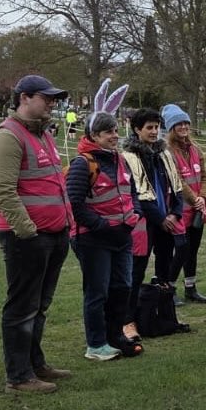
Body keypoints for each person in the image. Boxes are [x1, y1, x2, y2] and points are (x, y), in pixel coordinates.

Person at [0, 74, 74, 394]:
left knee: (40, 305)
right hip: (28, 238)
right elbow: (3, 191)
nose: (52, 103)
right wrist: (28, 232)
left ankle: (35, 363)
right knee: (22, 307)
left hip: (55, 234)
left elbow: (54, 184)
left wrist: (66, 224)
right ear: (24, 98)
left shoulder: (44, 134)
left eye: (54, 99)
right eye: (46, 98)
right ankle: (19, 376)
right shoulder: (7, 136)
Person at [67, 91, 143, 362]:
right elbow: (75, 203)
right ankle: (96, 344)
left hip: (122, 236)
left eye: (115, 130)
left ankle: (115, 336)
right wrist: (101, 225)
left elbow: (132, 191)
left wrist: (135, 212)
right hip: (94, 239)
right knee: (97, 291)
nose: (114, 136)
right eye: (108, 132)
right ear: (94, 135)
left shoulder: (120, 160)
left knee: (122, 287)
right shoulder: (82, 164)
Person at [121, 109, 187, 321]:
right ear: (137, 129)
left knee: (165, 267)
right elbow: (138, 194)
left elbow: (177, 186)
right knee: (137, 270)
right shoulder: (128, 157)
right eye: (149, 127)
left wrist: (175, 213)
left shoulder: (164, 153)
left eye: (157, 127)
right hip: (145, 221)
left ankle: (163, 316)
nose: (154, 131)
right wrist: (160, 219)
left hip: (168, 218)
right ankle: (129, 318)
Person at [162, 103, 206, 304]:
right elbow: (177, 180)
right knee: (181, 249)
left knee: (193, 250)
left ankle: (191, 287)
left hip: (198, 209)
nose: (184, 127)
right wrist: (194, 199)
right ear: (171, 128)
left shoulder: (196, 149)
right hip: (179, 209)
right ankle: (169, 288)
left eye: (186, 123)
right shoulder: (168, 152)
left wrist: (203, 197)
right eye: (179, 124)